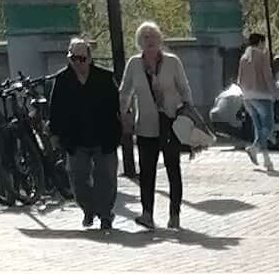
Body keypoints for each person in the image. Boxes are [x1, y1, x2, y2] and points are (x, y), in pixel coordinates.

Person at [45, 33, 121, 230]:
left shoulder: (105, 77)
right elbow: (55, 109)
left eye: (82, 58)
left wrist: (124, 123)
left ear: (90, 58)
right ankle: (88, 209)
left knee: (106, 177)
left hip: (104, 135)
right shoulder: (62, 79)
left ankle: (105, 214)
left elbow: (118, 104)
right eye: (74, 58)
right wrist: (54, 134)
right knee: (77, 177)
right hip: (75, 138)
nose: (78, 63)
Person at [122, 23, 189, 232]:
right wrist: (124, 114)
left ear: (159, 40)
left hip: (170, 124)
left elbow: (184, 88)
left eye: (152, 36)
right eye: (145, 37)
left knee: (173, 169)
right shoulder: (134, 64)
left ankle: (174, 215)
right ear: (139, 42)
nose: (149, 40)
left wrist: (187, 112)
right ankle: (147, 214)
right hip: (146, 126)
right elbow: (125, 91)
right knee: (147, 172)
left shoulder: (172, 62)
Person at [234, 27, 277, 166]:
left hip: (248, 96)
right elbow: (267, 75)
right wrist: (274, 91)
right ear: (260, 42)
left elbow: (239, 78)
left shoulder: (244, 58)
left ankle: (266, 159)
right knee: (268, 126)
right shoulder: (262, 55)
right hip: (262, 94)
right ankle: (255, 147)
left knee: (259, 128)